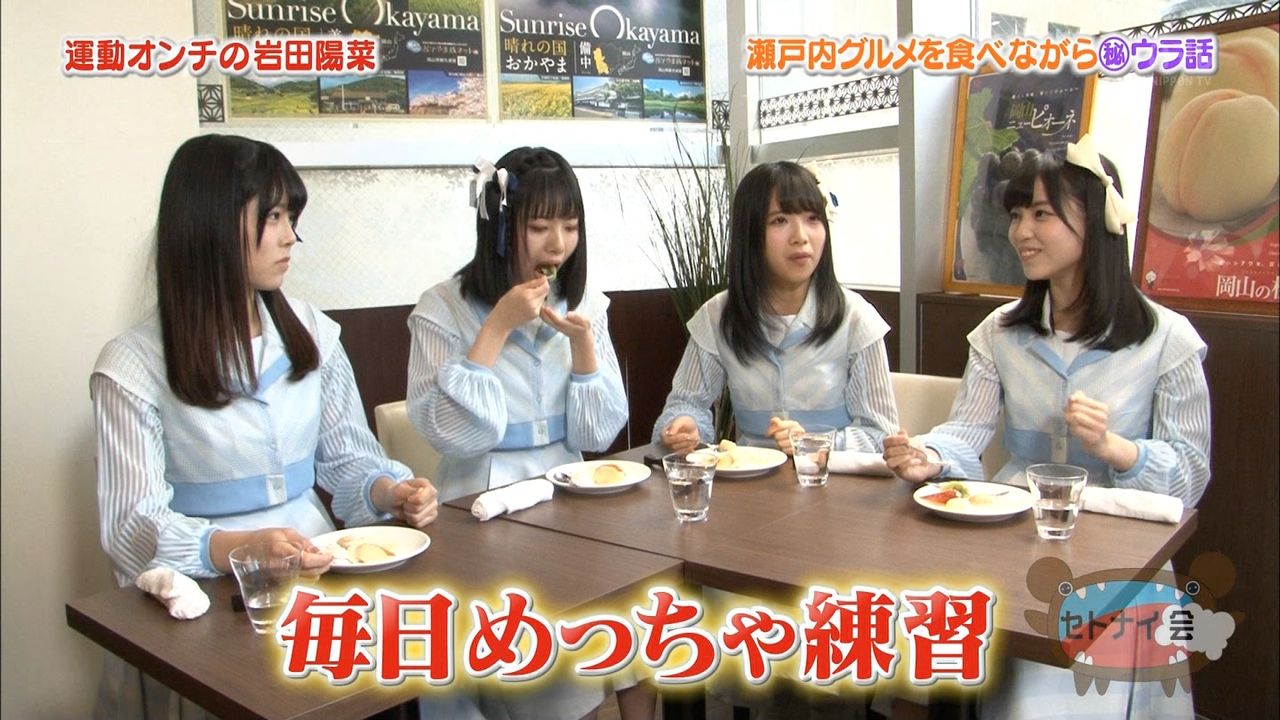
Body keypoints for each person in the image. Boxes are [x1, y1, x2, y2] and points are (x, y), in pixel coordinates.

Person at [90, 134, 438, 718]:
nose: (289, 236)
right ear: (209, 223)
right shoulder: (132, 366)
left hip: (315, 579)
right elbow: (131, 526)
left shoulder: (314, 334)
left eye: (290, 217)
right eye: (272, 217)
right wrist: (238, 550)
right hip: (203, 602)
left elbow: (348, 458)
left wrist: (389, 491)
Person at [883, 134, 1209, 719]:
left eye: (1041, 214)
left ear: (1099, 222)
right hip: (1013, 544)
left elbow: (1190, 477)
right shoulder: (999, 332)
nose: (1020, 232)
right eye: (1016, 214)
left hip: (1120, 554)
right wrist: (928, 456)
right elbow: (966, 432)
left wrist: (1118, 449)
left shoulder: (1167, 340)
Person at [406, 147, 651, 720]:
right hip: (479, 503)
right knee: (537, 651)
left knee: (631, 619)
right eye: (539, 227)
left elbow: (598, 432)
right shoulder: (442, 307)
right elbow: (447, 431)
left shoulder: (585, 303)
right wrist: (496, 328)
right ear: (499, 227)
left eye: (570, 226)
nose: (557, 244)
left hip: (572, 498)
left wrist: (583, 345)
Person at [654, 160, 898, 455]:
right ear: (750, 232)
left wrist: (814, 443)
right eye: (780, 220)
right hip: (749, 479)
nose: (801, 237)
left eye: (812, 218)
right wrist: (685, 425)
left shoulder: (856, 319)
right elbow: (685, 404)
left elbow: (882, 435)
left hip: (832, 479)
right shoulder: (718, 316)